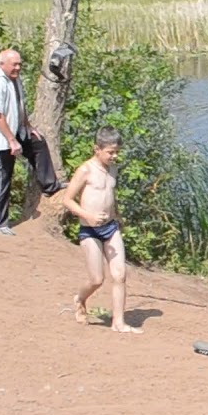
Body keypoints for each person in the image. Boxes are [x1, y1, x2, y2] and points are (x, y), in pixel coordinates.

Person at [0, 49, 65, 236]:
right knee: (2, 176)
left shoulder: (14, 78)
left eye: (19, 64)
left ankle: (50, 185)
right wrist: (12, 141)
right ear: (2, 64)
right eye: (14, 64)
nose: (18, 67)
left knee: (38, 144)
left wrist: (28, 126)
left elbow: (18, 105)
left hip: (15, 129)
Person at [65, 126, 142, 334]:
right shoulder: (85, 170)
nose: (114, 156)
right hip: (89, 230)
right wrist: (88, 216)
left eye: (117, 152)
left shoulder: (113, 169)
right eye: (110, 152)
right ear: (96, 149)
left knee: (120, 275)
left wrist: (117, 216)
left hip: (111, 227)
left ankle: (119, 322)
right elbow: (67, 200)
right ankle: (80, 298)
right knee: (96, 279)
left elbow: (110, 196)